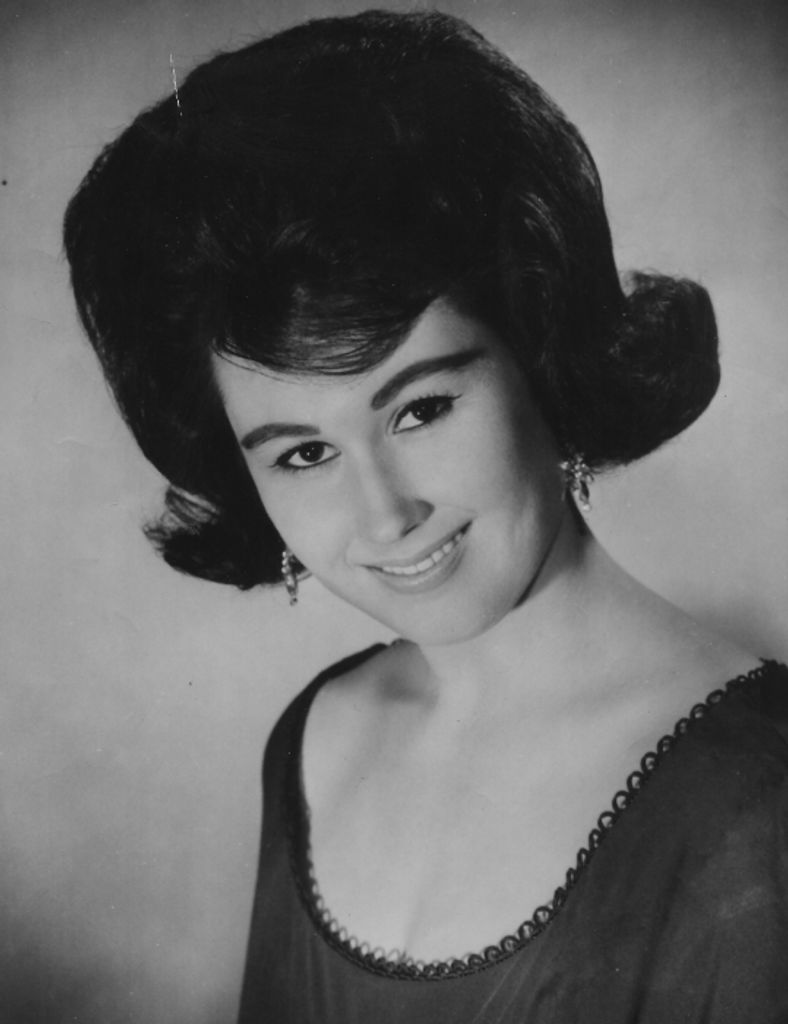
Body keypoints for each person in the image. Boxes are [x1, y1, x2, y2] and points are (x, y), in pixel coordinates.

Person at [63, 10, 788, 1022]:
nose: (385, 512)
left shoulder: (760, 801)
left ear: (540, 352)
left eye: (421, 409)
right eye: (304, 453)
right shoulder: (315, 739)